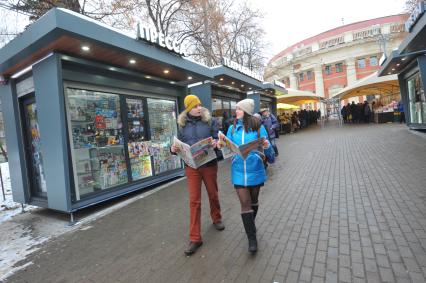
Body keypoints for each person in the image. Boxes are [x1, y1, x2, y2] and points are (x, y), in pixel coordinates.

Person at [170, 94, 224, 256]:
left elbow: (217, 138)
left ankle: (216, 217)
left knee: (213, 194)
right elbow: (177, 144)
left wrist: (216, 142)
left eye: (199, 105)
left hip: (209, 164)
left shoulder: (210, 120)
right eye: (195, 106)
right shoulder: (181, 124)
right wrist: (173, 149)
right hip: (192, 167)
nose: (199, 108)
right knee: (194, 201)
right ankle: (195, 238)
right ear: (188, 109)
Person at [218, 99, 274, 254]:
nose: (236, 112)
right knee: (245, 203)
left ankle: (251, 223)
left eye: (239, 109)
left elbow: (270, 155)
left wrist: (267, 148)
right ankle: (252, 238)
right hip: (238, 171)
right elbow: (227, 151)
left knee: (254, 201)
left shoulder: (259, 128)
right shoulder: (232, 128)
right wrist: (222, 146)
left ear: (247, 112)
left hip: (255, 170)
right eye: (236, 109)